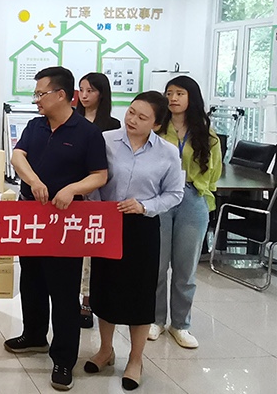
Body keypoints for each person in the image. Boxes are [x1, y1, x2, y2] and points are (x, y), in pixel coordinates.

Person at [5, 66, 108, 391]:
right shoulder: (35, 126)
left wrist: (72, 189)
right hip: (31, 214)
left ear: (61, 95)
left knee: (63, 290)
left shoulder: (87, 132)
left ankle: (64, 359)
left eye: (40, 94)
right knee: (31, 278)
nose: (36, 99)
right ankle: (34, 335)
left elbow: (100, 175)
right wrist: (34, 181)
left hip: (66, 219)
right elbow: (18, 156)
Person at [85, 92, 184, 390]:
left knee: (139, 295)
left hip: (142, 228)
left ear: (157, 124)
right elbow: (93, 177)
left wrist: (144, 206)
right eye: (131, 112)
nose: (132, 120)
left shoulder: (167, 153)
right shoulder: (105, 140)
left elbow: (174, 194)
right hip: (107, 223)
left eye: (142, 117)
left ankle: (135, 359)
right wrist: (97, 205)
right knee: (105, 288)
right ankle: (106, 350)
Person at [150, 76, 222, 349]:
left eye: (180, 93)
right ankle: (156, 320)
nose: (173, 98)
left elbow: (214, 171)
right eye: (169, 93)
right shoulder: (158, 128)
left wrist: (200, 193)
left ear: (192, 97)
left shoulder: (206, 132)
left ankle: (180, 324)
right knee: (157, 265)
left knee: (185, 268)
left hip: (192, 197)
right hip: (160, 197)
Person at [74, 72, 121, 329]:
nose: (84, 95)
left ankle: (87, 302)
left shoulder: (112, 125)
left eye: (90, 90)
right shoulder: (72, 118)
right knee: (73, 249)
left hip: (99, 195)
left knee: (92, 253)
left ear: (101, 94)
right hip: (73, 191)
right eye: (81, 89)